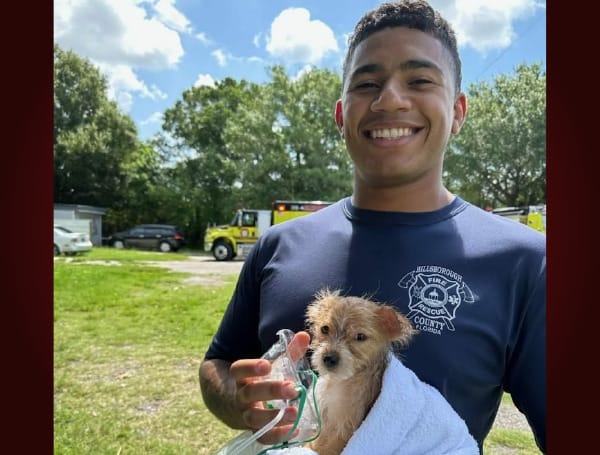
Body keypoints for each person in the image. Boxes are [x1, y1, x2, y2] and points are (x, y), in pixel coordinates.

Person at [199, 1, 546, 453]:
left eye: (419, 80)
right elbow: (218, 366)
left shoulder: (526, 261)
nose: (390, 99)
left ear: (458, 111)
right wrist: (237, 399)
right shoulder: (278, 245)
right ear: (341, 114)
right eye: (367, 83)